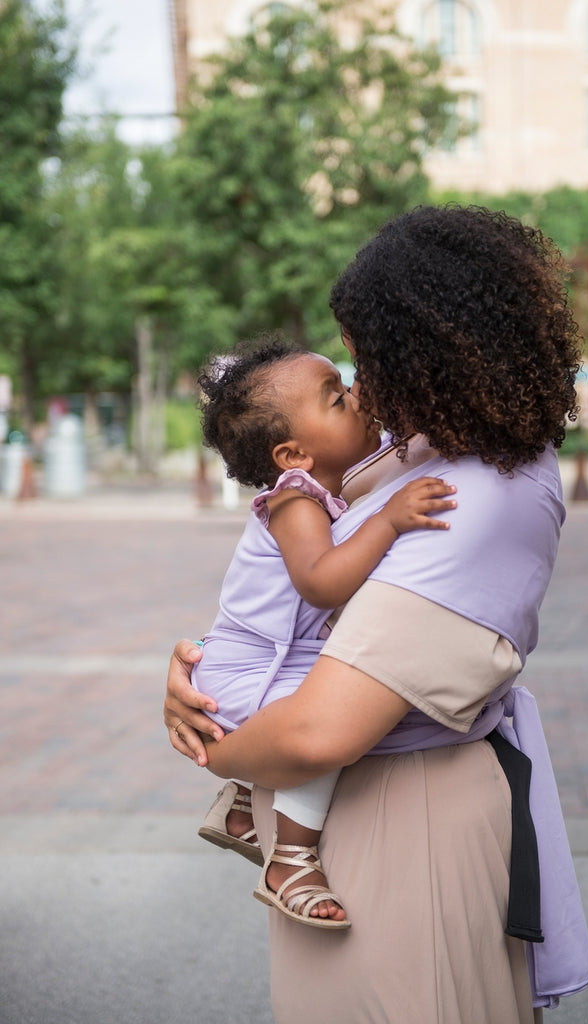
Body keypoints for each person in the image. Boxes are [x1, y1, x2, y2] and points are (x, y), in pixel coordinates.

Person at [164, 204, 588, 1024]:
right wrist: (197, 671)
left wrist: (211, 742)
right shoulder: (433, 449)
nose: (361, 382)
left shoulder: (477, 495)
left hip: (408, 824)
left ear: (431, 352)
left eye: (368, 356)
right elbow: (297, 588)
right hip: (357, 812)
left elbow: (315, 734)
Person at [191, 336, 457, 929]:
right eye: (336, 399)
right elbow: (320, 582)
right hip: (248, 669)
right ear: (293, 455)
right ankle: (291, 858)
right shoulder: (295, 500)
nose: (356, 398)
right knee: (326, 722)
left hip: (266, 659)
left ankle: (240, 803)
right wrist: (390, 520)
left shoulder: (329, 491)